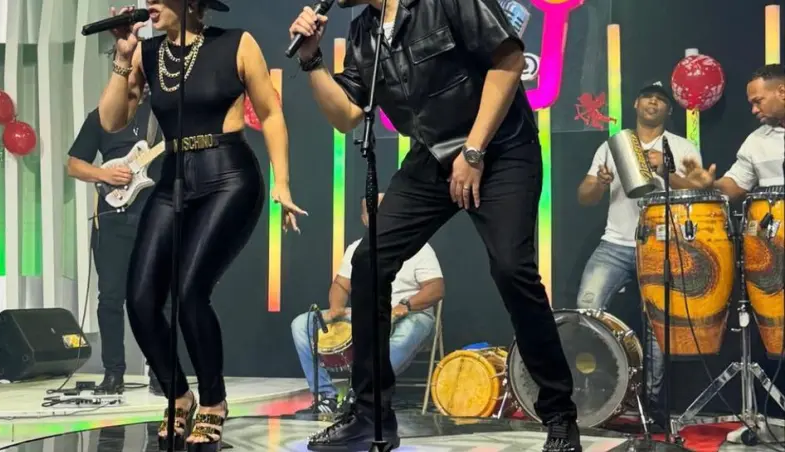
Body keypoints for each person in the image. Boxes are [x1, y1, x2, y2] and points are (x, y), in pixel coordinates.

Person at [289, 1, 580, 450]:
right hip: (433, 156)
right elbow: (346, 116)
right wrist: (312, 59)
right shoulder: (364, 32)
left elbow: (508, 61)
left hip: (501, 147)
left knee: (511, 268)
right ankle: (370, 416)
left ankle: (559, 414)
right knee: (369, 262)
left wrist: (474, 152)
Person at [102, 0, 306, 449]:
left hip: (228, 175)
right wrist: (121, 58)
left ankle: (214, 402)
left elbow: (271, 114)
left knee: (190, 291)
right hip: (173, 177)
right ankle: (178, 394)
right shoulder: (146, 53)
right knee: (140, 299)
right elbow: (112, 120)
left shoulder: (236, 44)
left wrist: (282, 182)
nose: (150, 3)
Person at [576, 81, 702, 429]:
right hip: (615, 244)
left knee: (657, 327)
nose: (653, 103)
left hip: (663, 246)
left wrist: (666, 170)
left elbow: (698, 189)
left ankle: (654, 410)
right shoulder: (613, 145)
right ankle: (597, 396)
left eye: (661, 100)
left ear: (669, 110)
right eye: (648, 97)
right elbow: (585, 197)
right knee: (587, 309)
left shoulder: (681, 146)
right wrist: (599, 182)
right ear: (636, 104)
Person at [291, 194, 444, 414]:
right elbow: (340, 285)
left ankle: (362, 393)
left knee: (408, 330)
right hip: (367, 314)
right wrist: (336, 307)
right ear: (364, 219)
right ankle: (326, 396)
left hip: (411, 313)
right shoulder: (356, 249)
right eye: (370, 212)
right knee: (302, 324)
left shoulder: (418, 246)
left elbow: (436, 288)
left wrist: (405, 306)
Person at [67, 86, 163, 395]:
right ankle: (113, 373)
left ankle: (160, 372)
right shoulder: (101, 116)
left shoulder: (162, 112)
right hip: (111, 219)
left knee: (155, 299)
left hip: (153, 218)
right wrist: (104, 175)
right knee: (109, 299)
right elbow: (74, 164)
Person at [685, 64, 785, 198]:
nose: (754, 110)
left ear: (782, 92)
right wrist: (710, 185)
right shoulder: (756, 140)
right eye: (752, 104)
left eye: (758, 101)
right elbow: (736, 186)